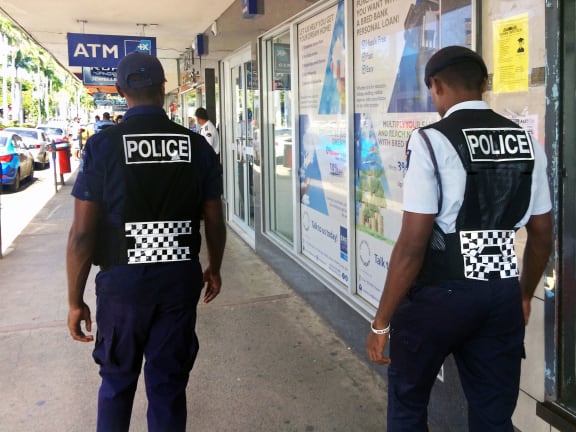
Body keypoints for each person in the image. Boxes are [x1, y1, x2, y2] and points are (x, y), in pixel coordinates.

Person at [366, 46, 553, 431]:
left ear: (435, 86)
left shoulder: (430, 141)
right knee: (493, 413)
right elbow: (541, 235)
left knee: (408, 401)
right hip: (500, 292)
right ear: (484, 84)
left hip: (438, 294)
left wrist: (381, 321)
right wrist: (521, 294)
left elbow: (413, 244)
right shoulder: (527, 143)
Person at [66, 52, 226, 432]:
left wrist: (75, 300)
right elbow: (214, 219)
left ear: (121, 91)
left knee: (117, 384)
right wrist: (214, 267)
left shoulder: (103, 146)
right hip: (178, 281)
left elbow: (83, 233)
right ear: (163, 88)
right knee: (168, 386)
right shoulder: (196, 146)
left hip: (123, 285)